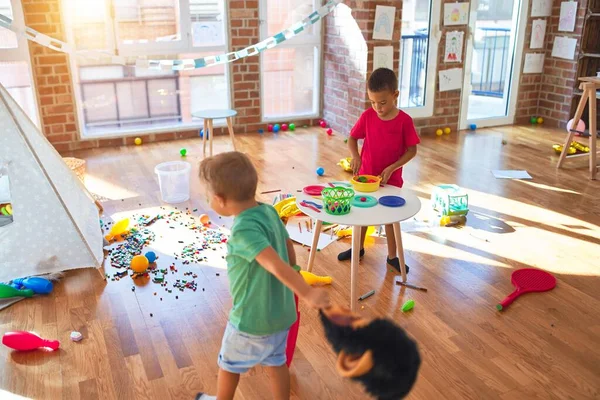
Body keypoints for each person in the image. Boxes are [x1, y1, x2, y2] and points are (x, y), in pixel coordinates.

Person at [196, 152, 330, 400]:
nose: (209, 201)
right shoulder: (268, 211)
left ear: (220, 200)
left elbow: (274, 264)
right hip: (281, 312)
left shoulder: (243, 230)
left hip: (250, 318)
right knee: (276, 362)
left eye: (208, 197)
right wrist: (296, 273)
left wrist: (307, 291)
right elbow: (288, 248)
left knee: (229, 363)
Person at [338, 68, 420, 273]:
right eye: (373, 102)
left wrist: (393, 167)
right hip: (365, 178)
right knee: (361, 213)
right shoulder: (367, 116)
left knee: (391, 219)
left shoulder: (404, 121)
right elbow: (352, 138)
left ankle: (393, 257)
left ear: (395, 95)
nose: (378, 108)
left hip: (391, 181)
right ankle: (358, 248)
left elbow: (412, 150)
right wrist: (355, 156)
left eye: (382, 102)